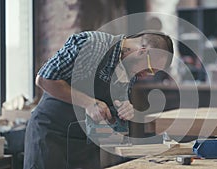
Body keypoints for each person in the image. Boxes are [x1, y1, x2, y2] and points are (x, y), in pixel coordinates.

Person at [24, 30, 174, 169]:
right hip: (51, 134)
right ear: (142, 52)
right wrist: (88, 103)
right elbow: (44, 79)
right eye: (150, 69)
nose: (146, 76)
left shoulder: (130, 71)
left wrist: (122, 110)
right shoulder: (92, 45)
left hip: (84, 144)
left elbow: (110, 113)